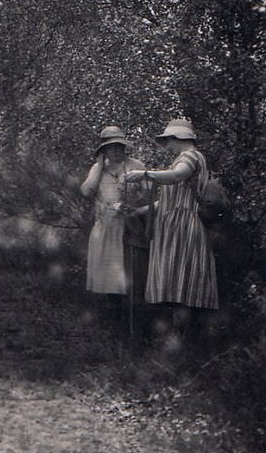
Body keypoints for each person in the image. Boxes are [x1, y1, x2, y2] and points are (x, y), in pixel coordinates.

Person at [125, 118, 217, 339]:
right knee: (179, 280)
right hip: (176, 226)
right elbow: (175, 195)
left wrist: (146, 174)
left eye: (169, 141)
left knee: (180, 280)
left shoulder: (190, 157)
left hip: (182, 228)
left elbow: (178, 176)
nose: (167, 146)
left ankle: (183, 336)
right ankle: (182, 334)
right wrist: (141, 210)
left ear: (178, 138)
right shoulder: (187, 159)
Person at [80, 126, 147, 304]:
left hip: (131, 226)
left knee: (131, 273)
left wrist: (132, 205)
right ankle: (114, 316)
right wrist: (100, 166)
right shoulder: (98, 168)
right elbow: (86, 192)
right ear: (103, 150)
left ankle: (134, 313)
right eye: (111, 147)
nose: (116, 150)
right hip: (107, 228)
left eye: (119, 146)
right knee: (110, 276)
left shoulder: (136, 165)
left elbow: (147, 194)